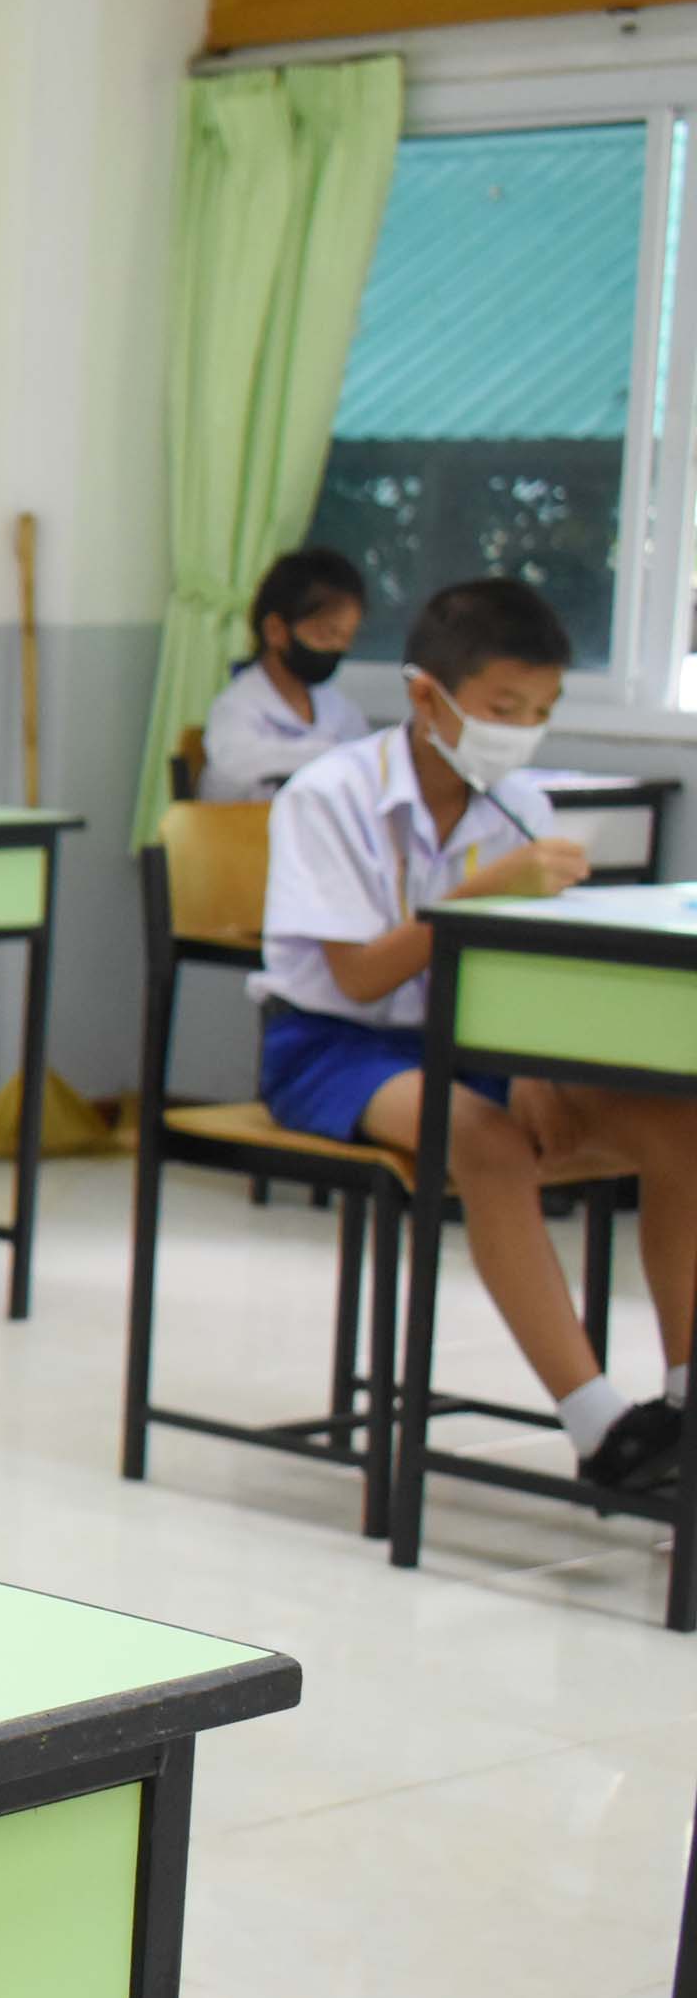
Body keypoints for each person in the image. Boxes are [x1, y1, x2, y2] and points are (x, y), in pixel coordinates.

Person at [256, 576, 697, 1493]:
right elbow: (358, 977)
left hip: (478, 1041)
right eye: (503, 707)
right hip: (333, 1048)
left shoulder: (521, 803)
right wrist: (478, 894)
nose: (523, 728)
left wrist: (536, 1060)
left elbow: (530, 966)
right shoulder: (327, 794)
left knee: (681, 1125)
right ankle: (602, 1428)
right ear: (427, 696)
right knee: (486, 1141)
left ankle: (685, 1403)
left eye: (543, 710)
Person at [198, 546, 372, 802]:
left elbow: (368, 769)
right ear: (276, 630)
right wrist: (331, 754)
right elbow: (235, 769)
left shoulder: (340, 709)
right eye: (326, 635)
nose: (338, 648)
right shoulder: (236, 707)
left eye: (346, 638)